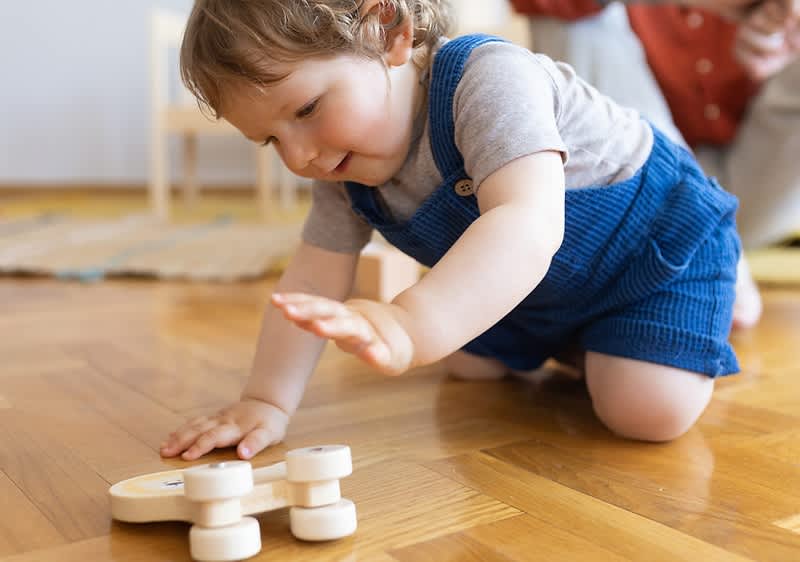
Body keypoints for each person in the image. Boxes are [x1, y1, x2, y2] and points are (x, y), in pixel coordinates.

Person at [160, 0, 741, 462]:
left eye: (307, 109)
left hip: (660, 249)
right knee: (469, 363)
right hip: (546, 292)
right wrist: (266, 401)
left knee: (644, 413)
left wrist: (411, 323)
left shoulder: (488, 79)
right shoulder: (340, 170)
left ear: (388, 29)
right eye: (270, 140)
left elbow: (526, 225)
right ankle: (589, 338)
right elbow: (309, 284)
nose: (299, 156)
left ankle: (725, 282)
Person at [510, 0, 800, 328]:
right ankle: (695, 223)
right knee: (572, 20)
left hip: (758, 175)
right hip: (640, 174)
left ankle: (700, 231)